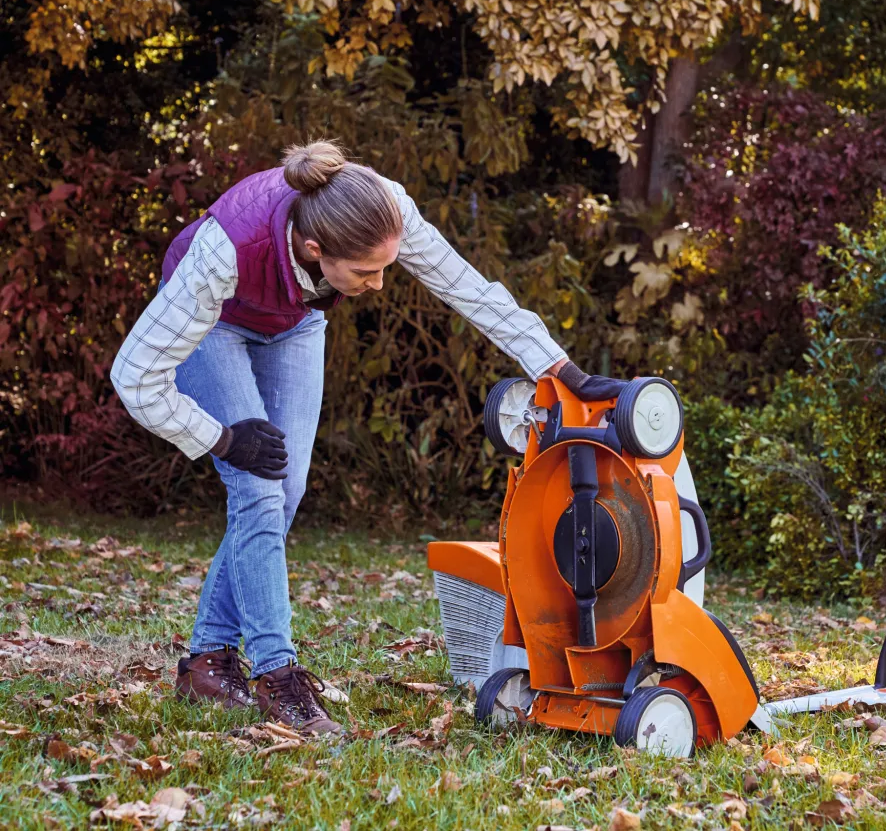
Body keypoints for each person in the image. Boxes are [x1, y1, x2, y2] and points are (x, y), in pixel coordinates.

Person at [111, 140, 621, 736]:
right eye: (365, 273)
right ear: (313, 248)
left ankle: (207, 661)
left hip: (294, 324)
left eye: (385, 267)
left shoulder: (382, 207)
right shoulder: (222, 253)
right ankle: (279, 678)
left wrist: (559, 369)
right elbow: (135, 376)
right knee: (258, 488)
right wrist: (220, 439)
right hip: (217, 321)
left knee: (288, 487)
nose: (379, 285)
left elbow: (468, 288)